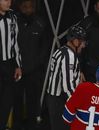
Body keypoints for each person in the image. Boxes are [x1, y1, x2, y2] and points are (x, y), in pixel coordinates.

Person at [12, 0, 49, 130]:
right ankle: (16, 126)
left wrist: (37, 65)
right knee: (16, 101)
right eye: (25, 7)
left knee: (33, 102)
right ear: (19, 6)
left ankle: (32, 126)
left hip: (34, 71)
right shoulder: (13, 22)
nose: (28, 10)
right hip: (16, 70)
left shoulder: (40, 23)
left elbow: (45, 47)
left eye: (31, 7)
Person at [46, 25, 87, 130]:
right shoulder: (69, 56)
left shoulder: (63, 51)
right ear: (76, 41)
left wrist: (78, 73)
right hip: (59, 101)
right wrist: (77, 105)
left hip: (56, 99)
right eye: (82, 42)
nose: (84, 46)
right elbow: (67, 86)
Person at [0, 0, 22, 129]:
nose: (9, 2)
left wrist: (18, 65)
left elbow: (15, 42)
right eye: (6, 0)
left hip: (8, 64)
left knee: (7, 100)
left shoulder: (13, 17)